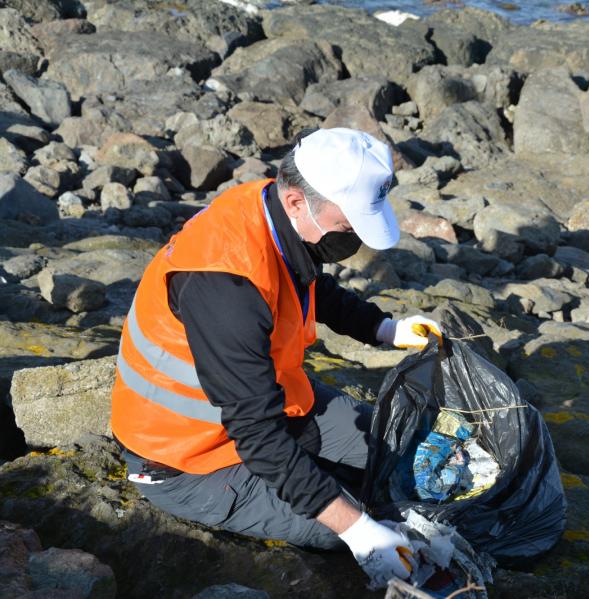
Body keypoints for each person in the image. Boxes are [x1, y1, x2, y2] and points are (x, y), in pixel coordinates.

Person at [110, 127, 442, 586]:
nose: (352, 242)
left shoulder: (269, 208)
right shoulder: (225, 285)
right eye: (348, 227)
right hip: (184, 458)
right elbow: (257, 434)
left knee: (401, 450)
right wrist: (359, 529)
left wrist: (383, 329)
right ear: (296, 202)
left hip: (272, 404)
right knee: (353, 522)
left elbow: (306, 285)